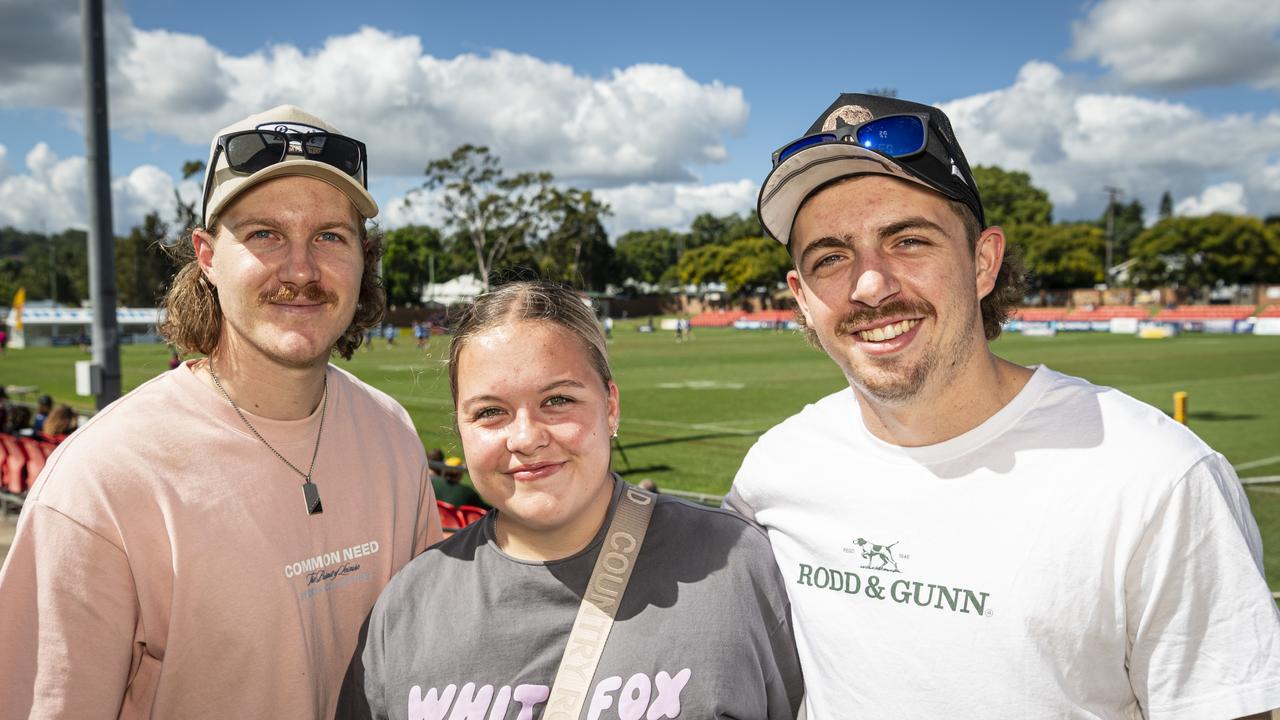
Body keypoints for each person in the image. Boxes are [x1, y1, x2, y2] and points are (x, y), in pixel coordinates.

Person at [725, 92, 1280, 719]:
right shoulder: (776, 470)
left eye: (908, 241)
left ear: (983, 261)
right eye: (830, 257)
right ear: (801, 296)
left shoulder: (1154, 477)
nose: (870, 285)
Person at [0, 105, 443, 718]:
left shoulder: (391, 432)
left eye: (329, 236)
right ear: (206, 256)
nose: (301, 269)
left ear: (364, 257)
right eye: (264, 233)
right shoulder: (99, 482)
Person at [345, 281, 803, 719]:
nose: (525, 438)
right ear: (461, 428)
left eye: (558, 399)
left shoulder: (738, 568)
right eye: (490, 412)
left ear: (611, 407)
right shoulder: (405, 608)